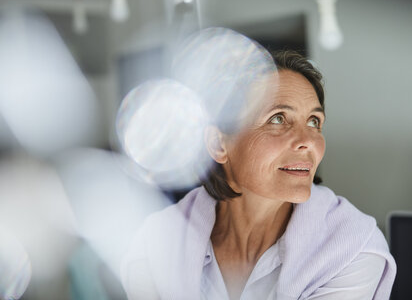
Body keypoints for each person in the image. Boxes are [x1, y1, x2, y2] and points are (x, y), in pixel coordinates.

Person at [120, 50, 396, 300]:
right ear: (218, 144)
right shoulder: (155, 245)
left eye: (314, 122)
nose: (308, 141)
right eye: (277, 118)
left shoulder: (352, 248)